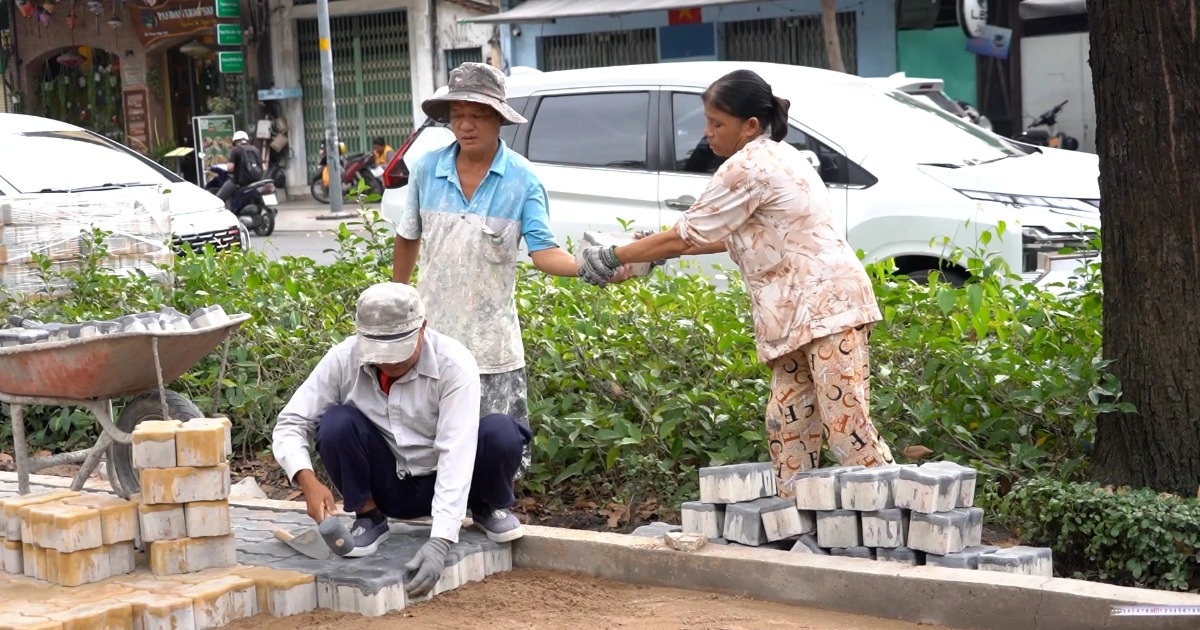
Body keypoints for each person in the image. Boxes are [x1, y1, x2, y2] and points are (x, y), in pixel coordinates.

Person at [577, 69, 895, 496]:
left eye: (717, 123)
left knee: (847, 429)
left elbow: (686, 234)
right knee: (788, 426)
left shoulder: (749, 165)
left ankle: (904, 514)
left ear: (749, 125)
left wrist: (614, 256)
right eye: (707, 122)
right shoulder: (778, 156)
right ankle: (796, 520)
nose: (707, 133)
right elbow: (726, 236)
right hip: (798, 318)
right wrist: (649, 254)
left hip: (828, 310)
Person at [391, 62, 631, 481]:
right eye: (458, 115)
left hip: (492, 343)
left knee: (496, 442)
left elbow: (544, 252)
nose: (466, 125)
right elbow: (408, 235)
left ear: (499, 119)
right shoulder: (427, 169)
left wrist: (592, 267)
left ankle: (491, 506)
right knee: (429, 441)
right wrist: (399, 301)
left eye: (477, 115)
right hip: (433, 337)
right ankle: (438, 508)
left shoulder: (522, 179)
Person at [271, 282, 531, 596]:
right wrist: (306, 479)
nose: (390, 363)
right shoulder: (342, 359)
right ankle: (369, 517)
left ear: (423, 328)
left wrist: (441, 541)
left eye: (399, 353)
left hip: (449, 482)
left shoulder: (454, 363)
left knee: (501, 432)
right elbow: (291, 422)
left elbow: (456, 451)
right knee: (336, 423)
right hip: (389, 485)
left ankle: (487, 508)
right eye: (380, 355)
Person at [217, 131, 263, 206]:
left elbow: (230, 168)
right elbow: (262, 165)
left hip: (239, 182)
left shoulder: (235, 150)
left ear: (235, 141)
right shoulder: (255, 149)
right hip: (256, 181)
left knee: (219, 199)